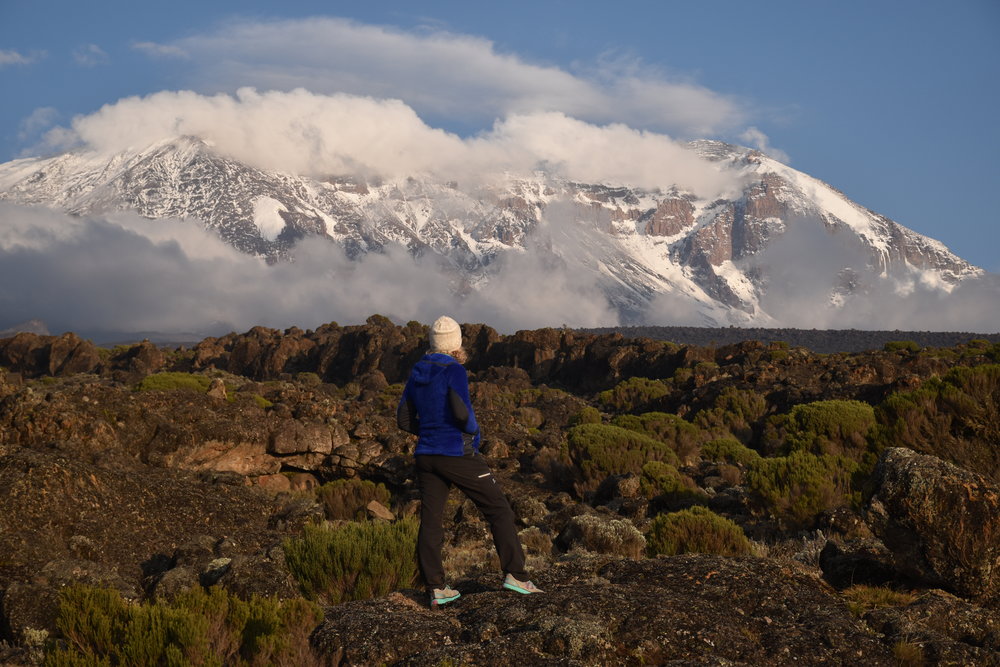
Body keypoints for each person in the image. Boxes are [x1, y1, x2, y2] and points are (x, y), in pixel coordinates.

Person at [397, 315, 542, 607]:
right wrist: (474, 432)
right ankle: (515, 574)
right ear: (456, 344)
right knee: (498, 509)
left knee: (432, 521)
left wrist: (427, 432)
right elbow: (462, 413)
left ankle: (436, 587)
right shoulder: (454, 371)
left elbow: (403, 418)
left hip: (426, 455)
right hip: (456, 453)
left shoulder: (417, 370)